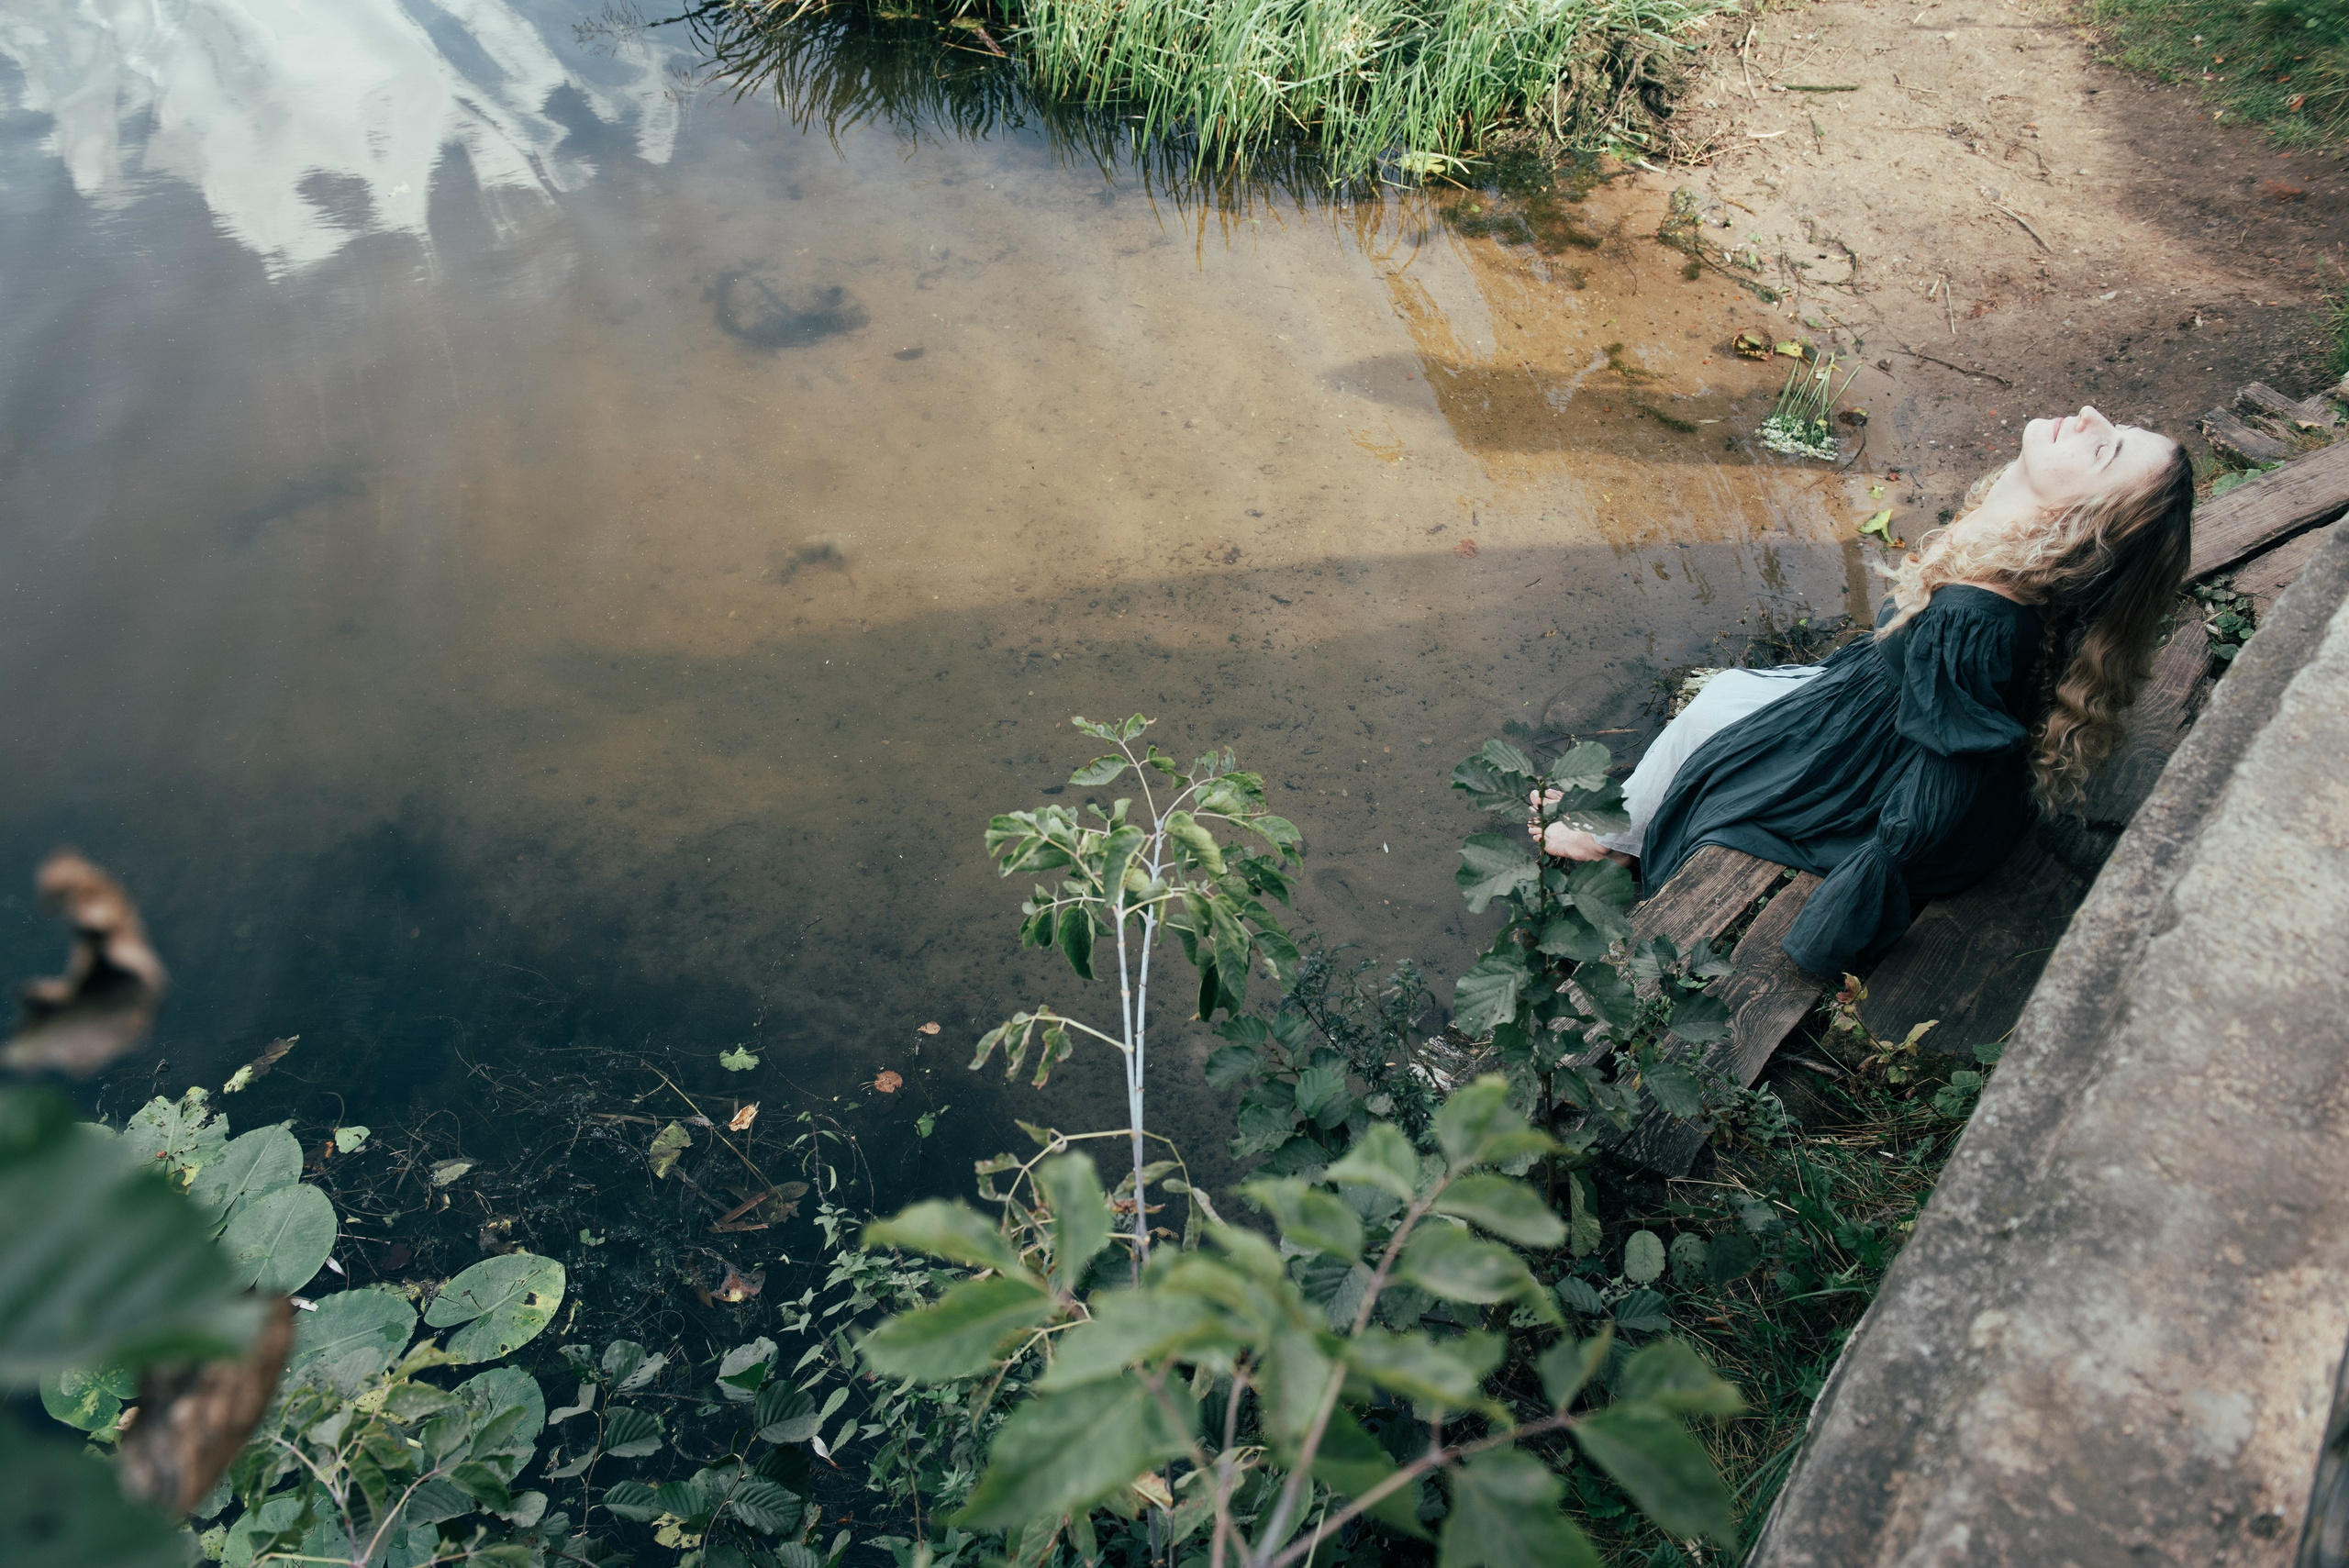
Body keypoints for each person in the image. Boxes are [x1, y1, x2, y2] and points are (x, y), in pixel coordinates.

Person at [1535, 406, 2195, 975]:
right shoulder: (2027, 567)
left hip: (1881, 765)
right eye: (2115, 426)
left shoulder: (1976, 616)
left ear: (2081, 522)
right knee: (1730, 696)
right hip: (1883, 708)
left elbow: (1944, 784)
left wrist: (1865, 888)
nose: (2088, 418)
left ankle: (1615, 845)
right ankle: (1622, 825)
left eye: (2105, 448)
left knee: (1719, 719)